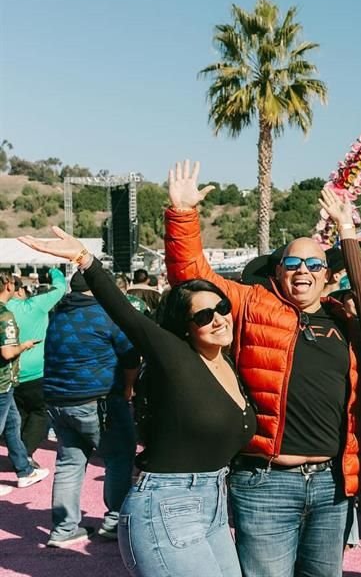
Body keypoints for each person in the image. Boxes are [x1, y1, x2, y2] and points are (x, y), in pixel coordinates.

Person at [163, 161, 361, 577]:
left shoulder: (345, 322)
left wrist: (348, 233)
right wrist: (183, 215)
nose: (304, 271)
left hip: (332, 483)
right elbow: (192, 278)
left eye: (314, 265)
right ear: (278, 272)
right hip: (266, 482)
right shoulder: (251, 305)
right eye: (293, 263)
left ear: (328, 276)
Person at [19, 226, 257, 576]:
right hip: (167, 504)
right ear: (185, 326)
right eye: (203, 316)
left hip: (214, 503)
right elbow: (126, 315)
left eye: (221, 307)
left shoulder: (229, 363)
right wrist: (85, 259)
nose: (219, 318)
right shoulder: (176, 358)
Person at [40, 269, 139, 546]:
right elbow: (131, 356)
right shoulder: (107, 314)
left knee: (69, 463)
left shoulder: (58, 313)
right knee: (119, 457)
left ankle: (63, 530)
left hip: (58, 402)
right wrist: (129, 387)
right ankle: (114, 522)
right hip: (99, 401)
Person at [0, 272, 48, 497]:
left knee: (13, 422)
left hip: (6, 383)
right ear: (8, 285)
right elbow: (8, 351)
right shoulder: (4, 315)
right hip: (3, 381)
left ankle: (24, 469)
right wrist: (25, 345)